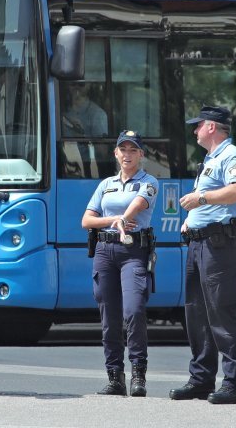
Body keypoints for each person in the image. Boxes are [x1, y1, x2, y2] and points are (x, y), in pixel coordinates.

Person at [169, 105, 236, 405]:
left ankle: (234, 384)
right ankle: (202, 379)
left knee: (222, 311)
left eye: (198, 125)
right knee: (197, 313)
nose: (195, 130)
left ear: (212, 127)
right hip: (199, 243)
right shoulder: (210, 159)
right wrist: (191, 220)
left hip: (219, 244)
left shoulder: (231, 155)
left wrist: (201, 198)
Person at [81, 130, 158, 397]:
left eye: (132, 150)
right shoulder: (106, 184)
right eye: (122, 149)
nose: (127, 154)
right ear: (115, 153)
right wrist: (112, 222)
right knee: (109, 317)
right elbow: (86, 221)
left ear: (141, 155)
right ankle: (115, 377)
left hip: (133, 250)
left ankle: (139, 373)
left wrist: (122, 218)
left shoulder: (149, 182)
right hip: (105, 250)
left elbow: (137, 206)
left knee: (134, 310)